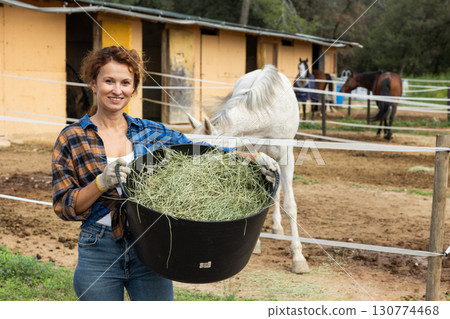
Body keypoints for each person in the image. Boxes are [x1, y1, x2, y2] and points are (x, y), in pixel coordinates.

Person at [52, 45, 278, 301]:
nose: (117, 90)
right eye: (109, 81)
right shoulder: (72, 138)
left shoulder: (153, 132)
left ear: (134, 88)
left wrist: (253, 159)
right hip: (99, 248)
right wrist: (101, 183)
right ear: (93, 83)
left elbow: (205, 153)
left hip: (152, 245)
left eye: (126, 82)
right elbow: (64, 207)